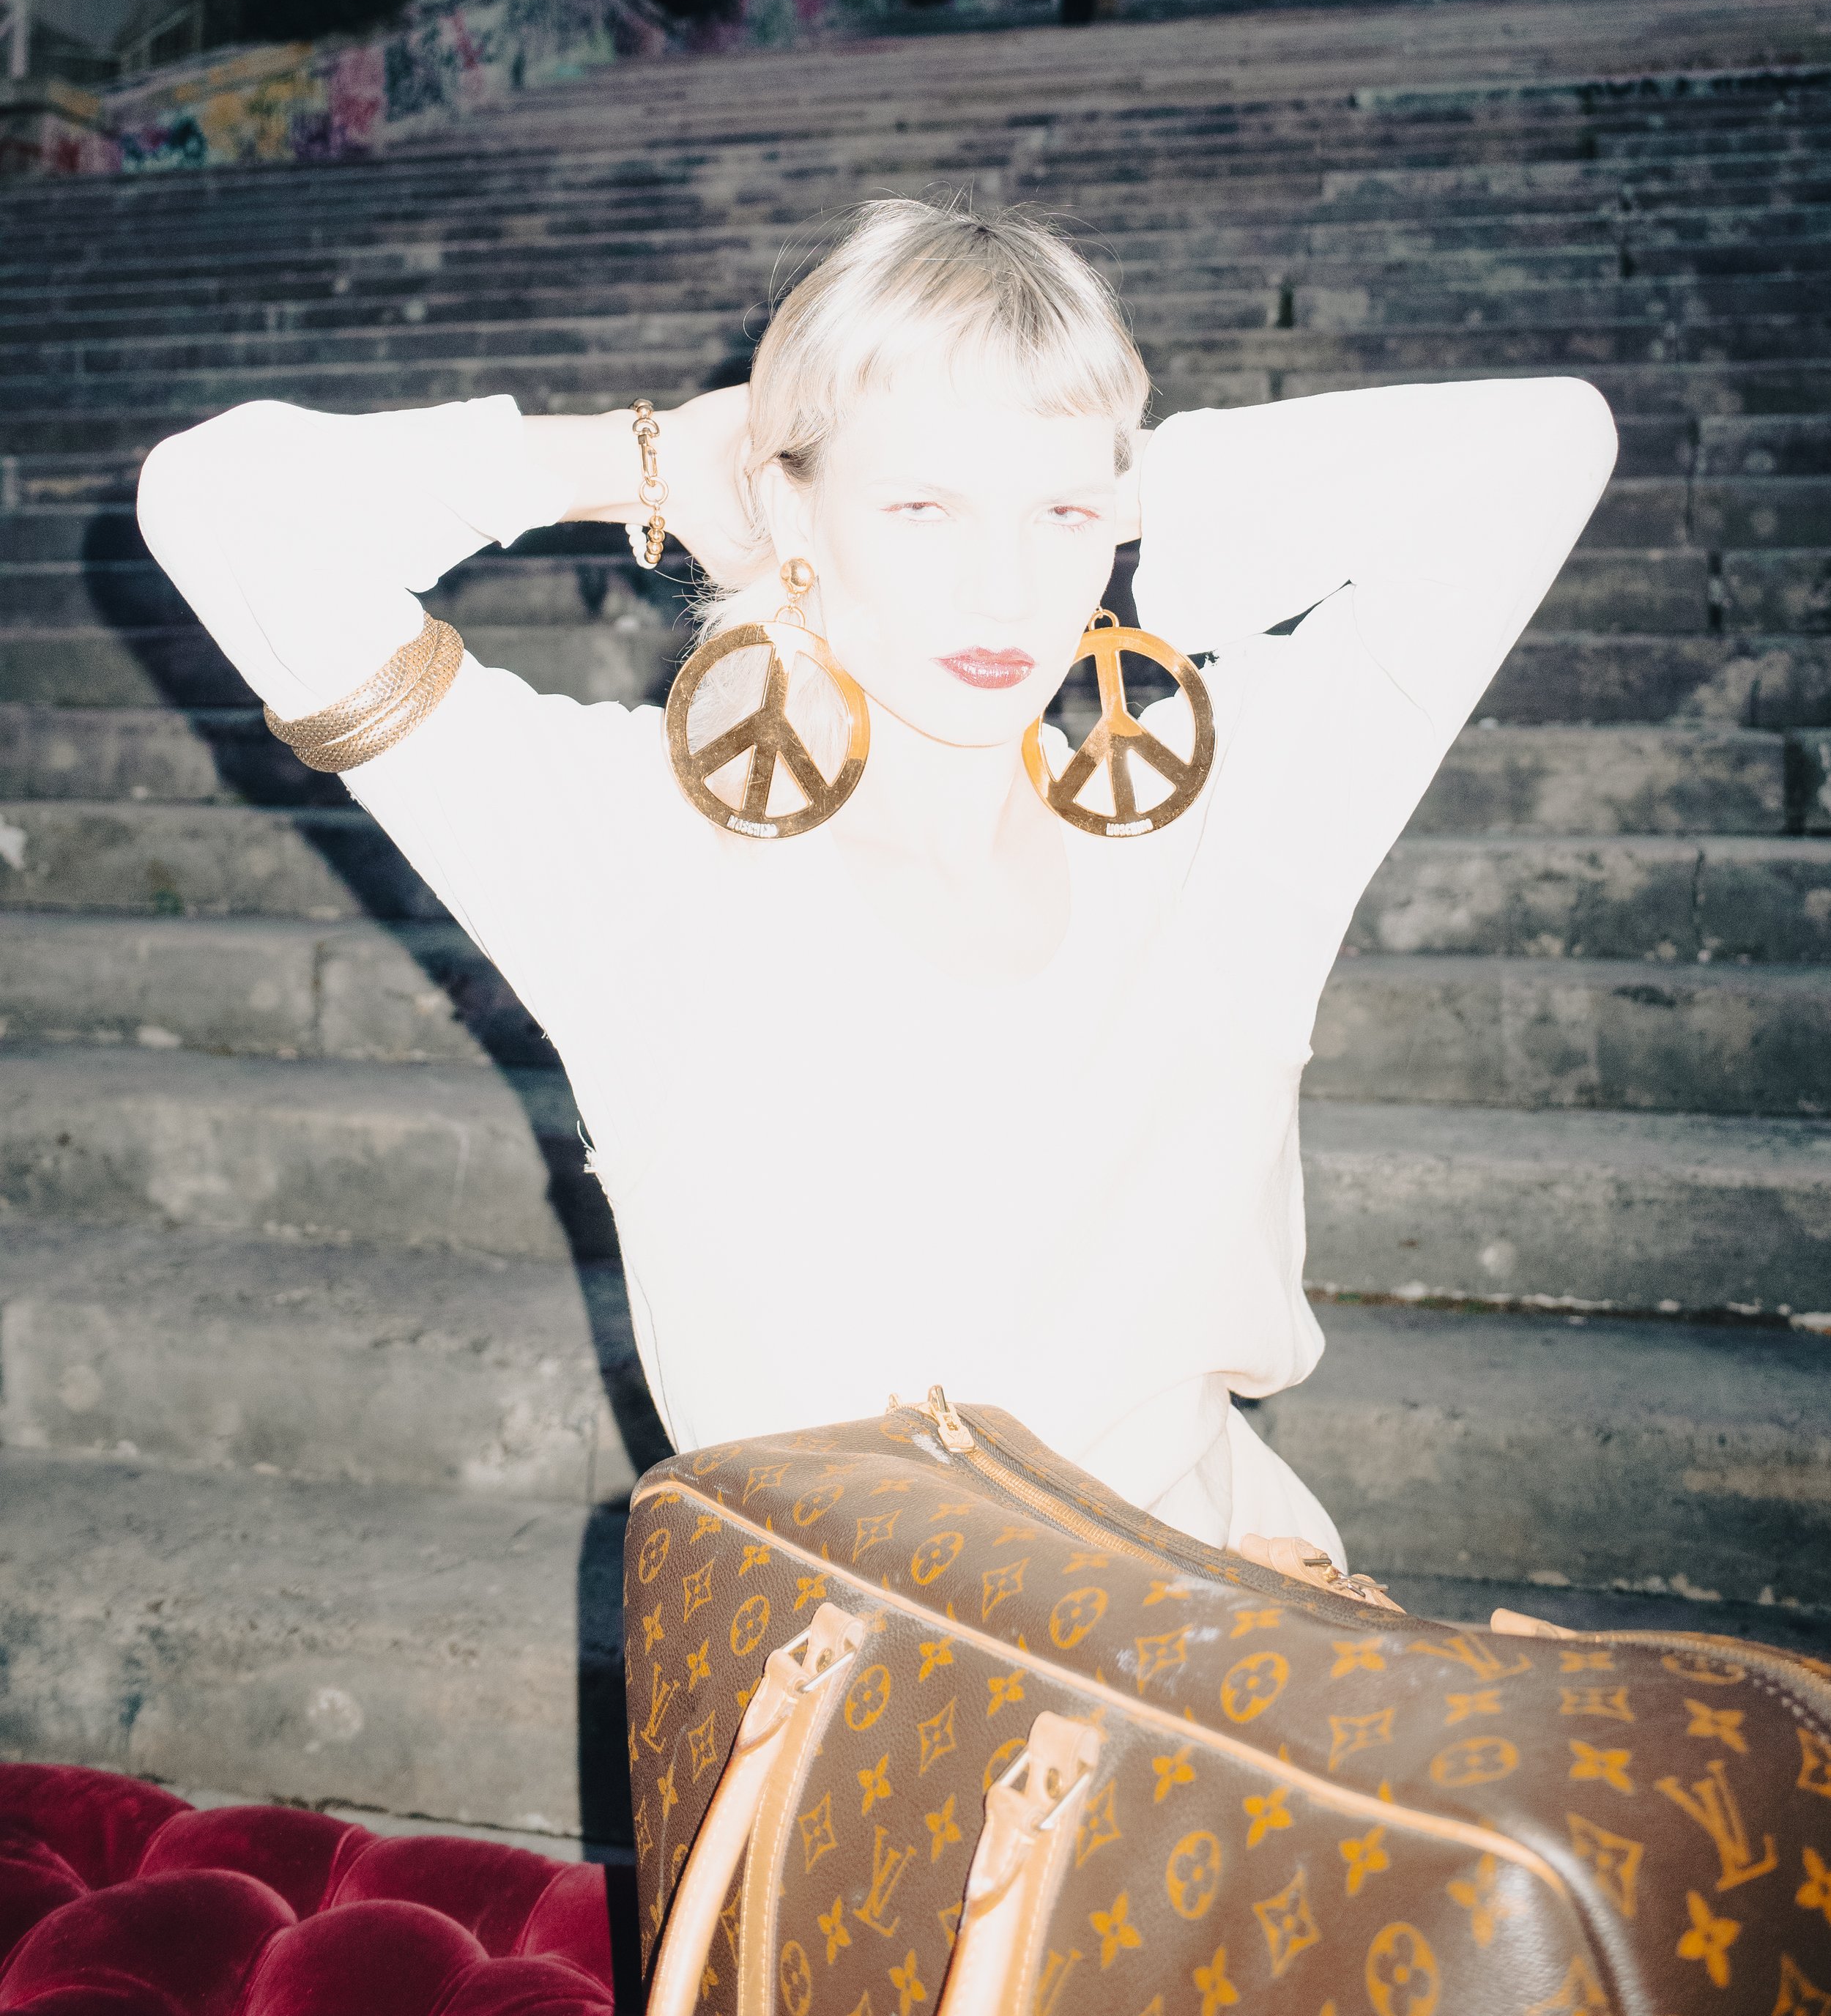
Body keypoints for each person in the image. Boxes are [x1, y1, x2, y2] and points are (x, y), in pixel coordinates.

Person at [137, 201, 1616, 1564]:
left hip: (1231, 1683)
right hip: (873, 1733)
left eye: (1056, 525)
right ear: (787, 511)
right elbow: (215, 507)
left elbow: (1547, 447)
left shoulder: (1217, 829)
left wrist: (1088, 467)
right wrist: (649, 461)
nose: (1003, 595)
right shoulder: (636, 851)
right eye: (920, 512)